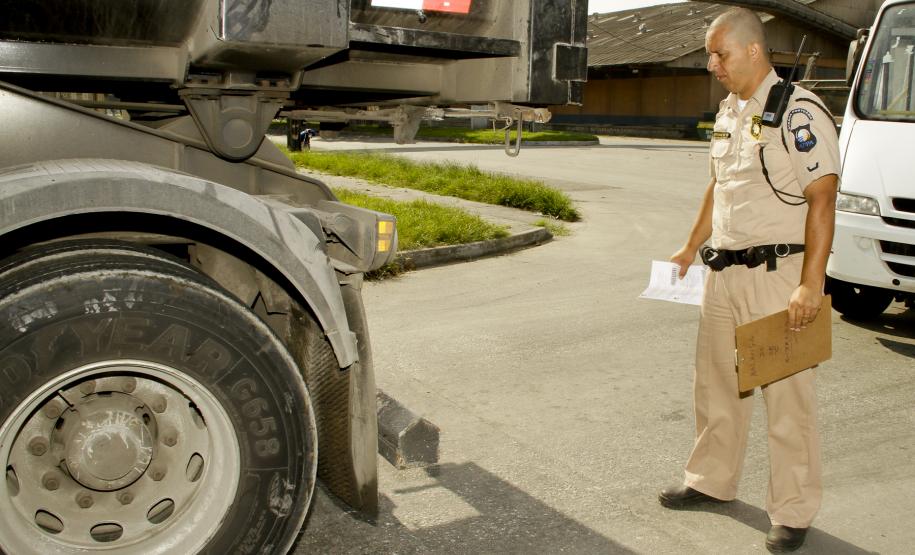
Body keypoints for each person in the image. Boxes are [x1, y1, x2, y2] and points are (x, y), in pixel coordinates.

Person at [659, 8, 839, 553]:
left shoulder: (798, 111)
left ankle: (793, 510)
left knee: (787, 402)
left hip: (776, 276)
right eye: (710, 55)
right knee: (716, 387)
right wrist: (690, 244)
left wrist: (810, 284)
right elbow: (719, 184)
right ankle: (711, 481)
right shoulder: (729, 111)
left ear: (754, 50)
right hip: (723, 273)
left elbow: (823, 197)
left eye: (721, 54)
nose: (712, 64)